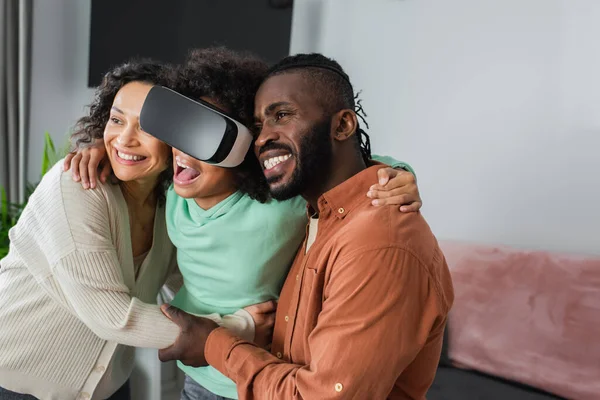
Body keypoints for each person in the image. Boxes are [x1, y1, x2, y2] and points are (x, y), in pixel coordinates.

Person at [66, 48, 424, 400]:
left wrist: (397, 175)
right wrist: (98, 148)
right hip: (196, 371)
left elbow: (341, 169)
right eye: (181, 133)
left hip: (250, 378)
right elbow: (135, 158)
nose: (184, 151)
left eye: (205, 137)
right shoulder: (171, 191)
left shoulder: (276, 205)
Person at [157, 53, 454, 400]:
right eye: (257, 127)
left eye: (282, 115)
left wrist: (214, 343)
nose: (262, 139)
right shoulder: (318, 215)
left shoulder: (378, 243)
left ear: (342, 125)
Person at [0, 61, 269, 400]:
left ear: (180, 136)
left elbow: (181, 282)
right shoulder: (76, 186)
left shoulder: (170, 202)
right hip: (16, 385)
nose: (124, 139)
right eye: (116, 120)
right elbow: (111, 316)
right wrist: (237, 328)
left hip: (108, 387)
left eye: (147, 127)